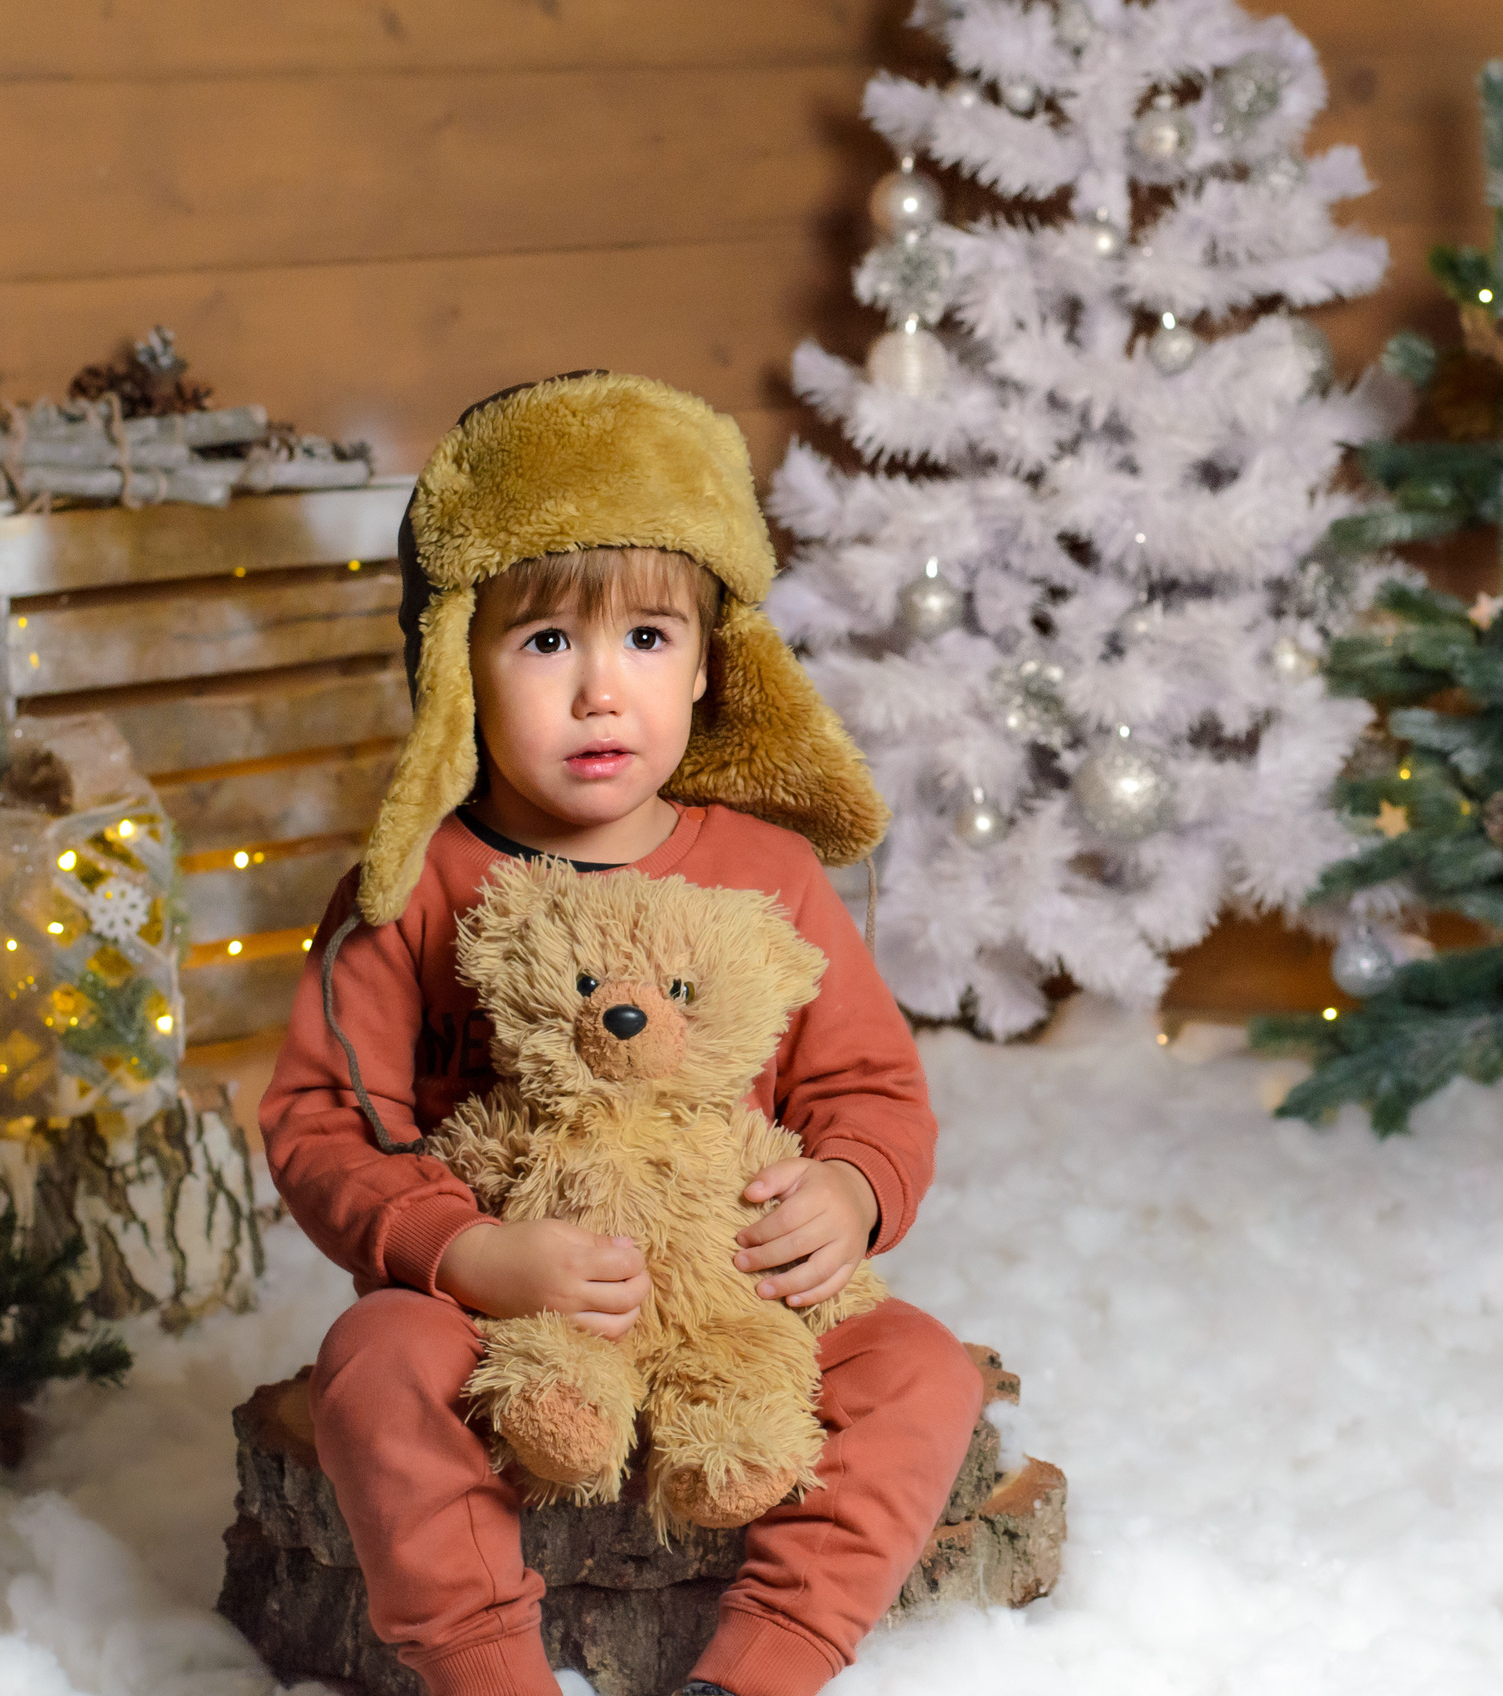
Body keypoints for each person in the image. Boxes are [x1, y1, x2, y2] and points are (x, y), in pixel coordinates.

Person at [259, 372, 984, 1696]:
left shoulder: (768, 873)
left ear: (712, 665)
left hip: (734, 1306)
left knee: (926, 1371)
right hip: (507, 1312)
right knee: (372, 1364)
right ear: (457, 667)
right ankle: (490, 1670)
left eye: (647, 640)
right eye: (546, 645)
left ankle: (760, 1666)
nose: (603, 693)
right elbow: (322, 1123)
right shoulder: (412, 886)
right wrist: (464, 1250)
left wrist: (849, 1191)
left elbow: (873, 1085)